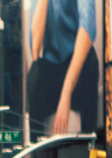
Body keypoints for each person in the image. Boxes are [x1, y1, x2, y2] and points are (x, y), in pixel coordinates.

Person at [27, 0, 98, 132]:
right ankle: (38, 150)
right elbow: (35, 50)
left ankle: (90, 143)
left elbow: (88, 27)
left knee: (91, 60)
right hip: (52, 71)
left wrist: (67, 91)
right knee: (34, 75)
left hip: (75, 65)